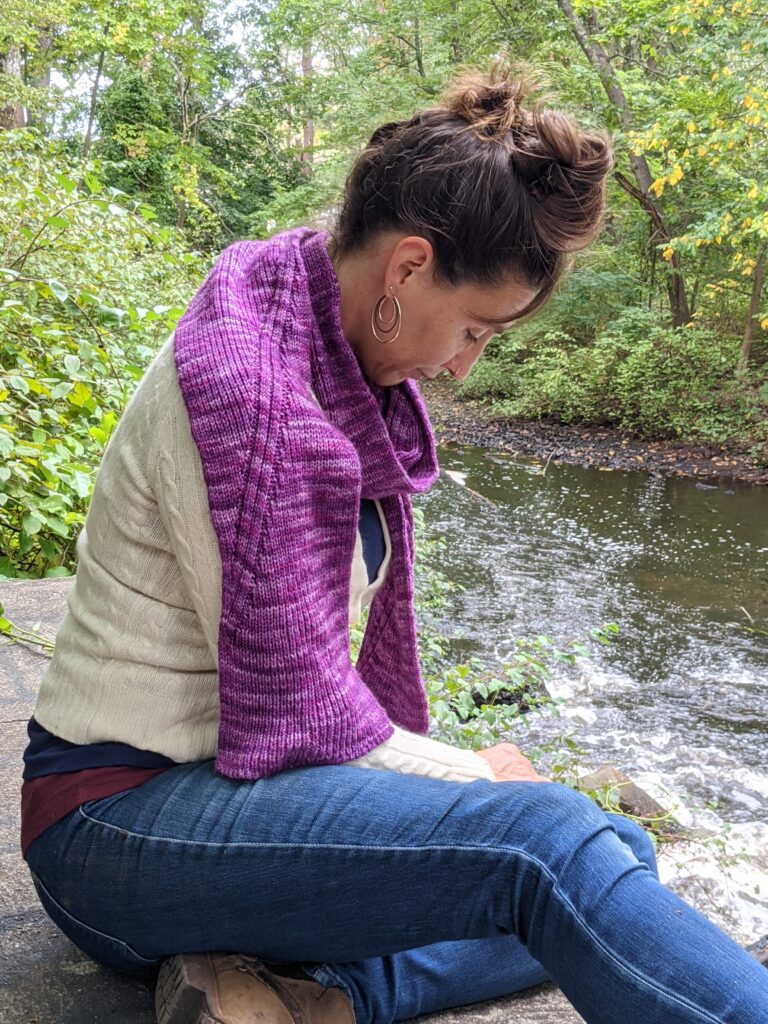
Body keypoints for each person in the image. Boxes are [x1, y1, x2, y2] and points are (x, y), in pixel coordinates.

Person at [20, 63, 768, 1024]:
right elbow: (303, 713)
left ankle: (320, 1001)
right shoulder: (249, 396)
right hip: (117, 828)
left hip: (241, 804)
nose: (462, 364)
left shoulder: (327, 366)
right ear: (408, 268)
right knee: (551, 848)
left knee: (620, 858)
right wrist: (474, 774)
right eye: (474, 329)